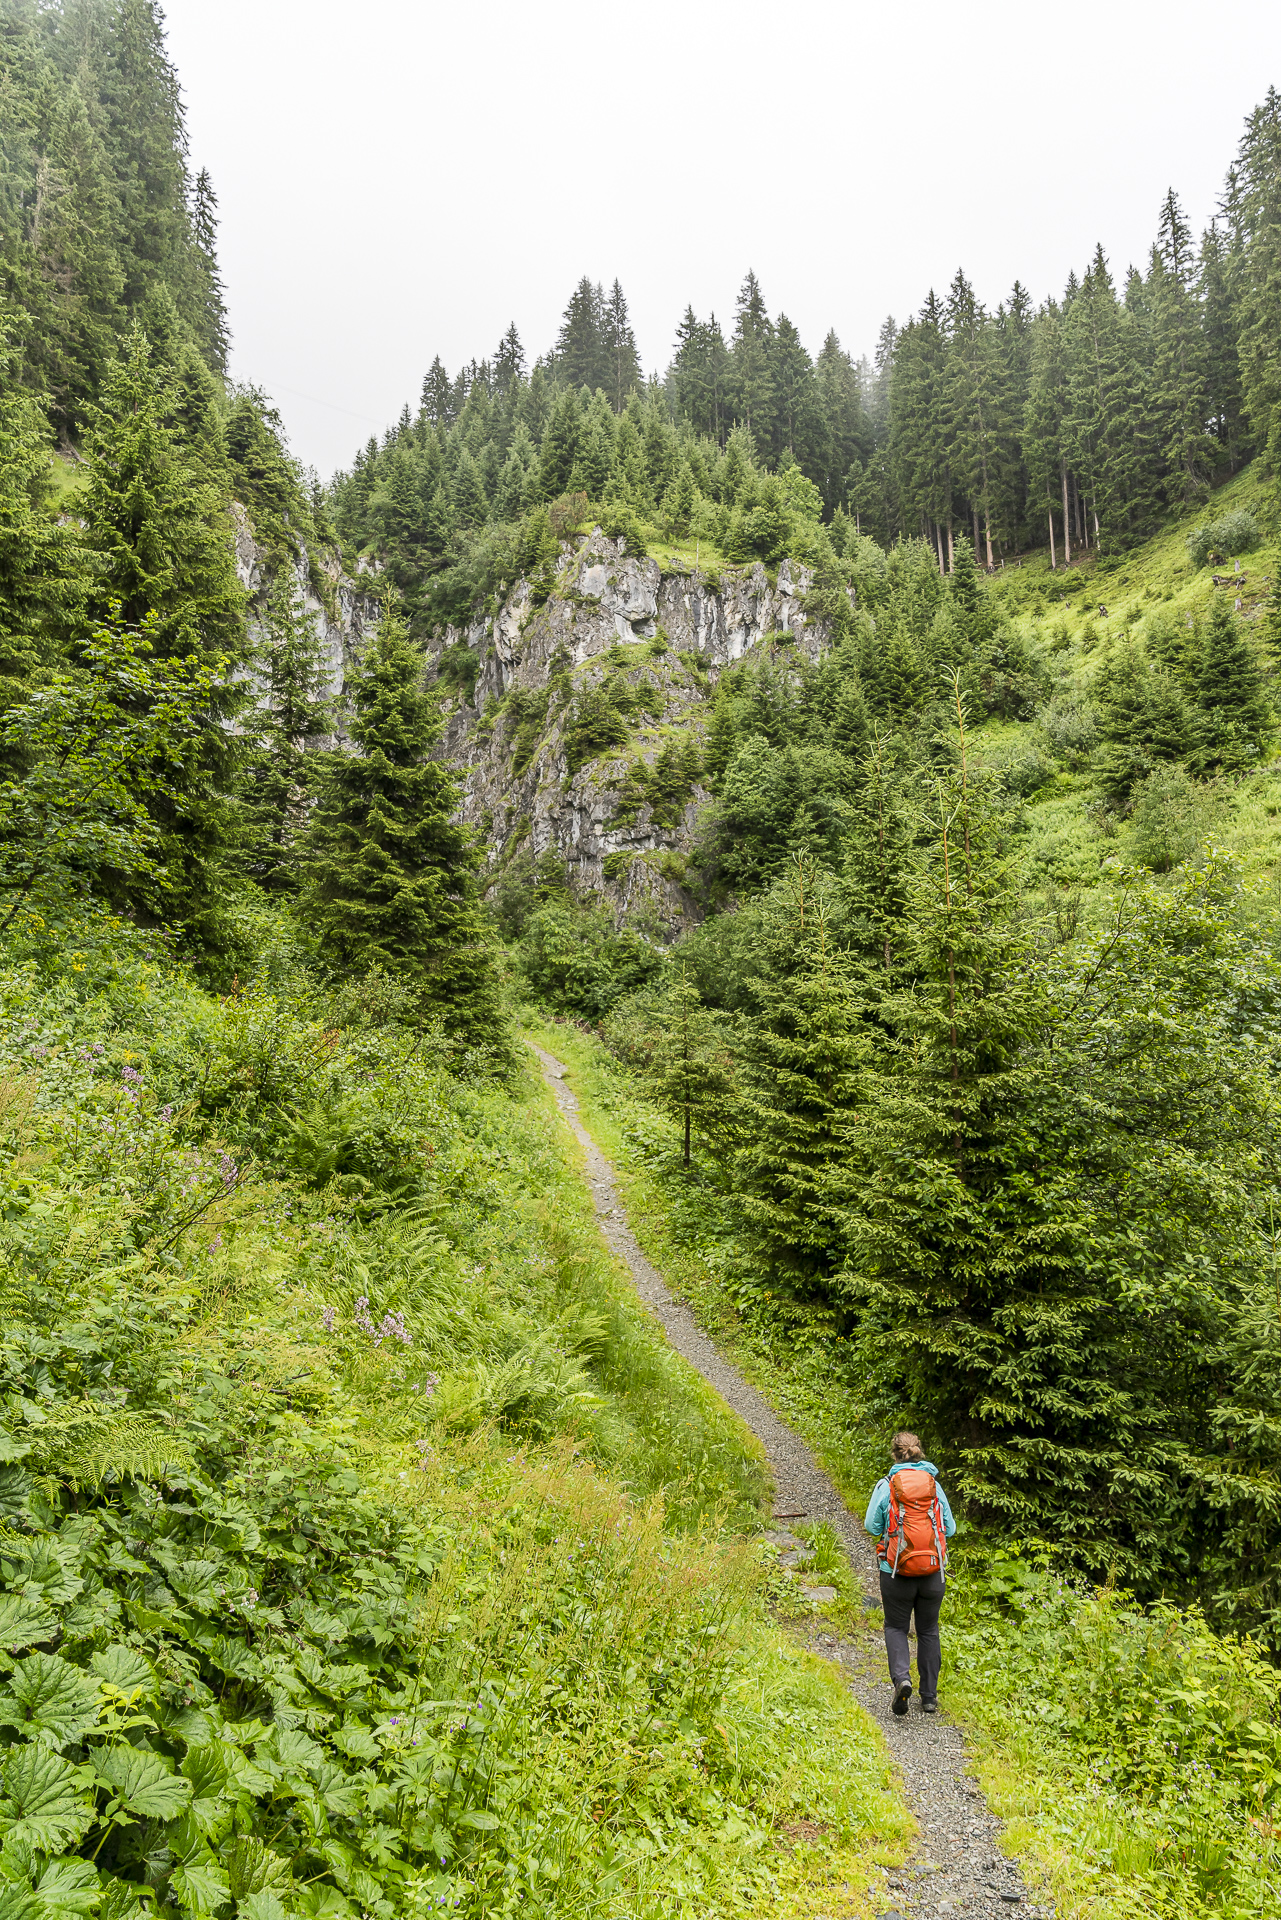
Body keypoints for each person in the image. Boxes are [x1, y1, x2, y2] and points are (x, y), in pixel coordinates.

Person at [864, 1431, 956, 1717]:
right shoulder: (934, 1486)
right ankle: (929, 1697)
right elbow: (950, 1529)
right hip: (932, 1572)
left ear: (895, 1455)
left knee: (896, 1627)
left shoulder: (887, 1485)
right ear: (920, 1453)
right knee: (929, 1630)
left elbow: (871, 1525)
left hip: (896, 1572)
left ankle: (902, 1680)